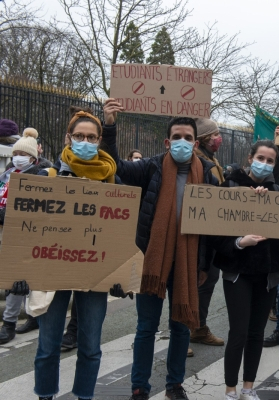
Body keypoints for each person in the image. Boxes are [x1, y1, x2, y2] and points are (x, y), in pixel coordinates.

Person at [7, 107, 131, 400]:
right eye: (79, 136)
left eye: (91, 137)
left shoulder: (113, 184)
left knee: (90, 347)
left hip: (95, 275)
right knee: (48, 346)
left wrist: (121, 276)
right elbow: (25, 230)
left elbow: (120, 236)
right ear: (68, 138)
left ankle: (84, 396)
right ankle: (45, 396)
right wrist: (19, 273)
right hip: (51, 273)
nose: (85, 141)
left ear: (100, 140)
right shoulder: (44, 177)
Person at [101, 98, 219, 400]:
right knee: (146, 328)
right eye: (176, 137)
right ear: (168, 141)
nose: (182, 142)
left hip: (187, 263)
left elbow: (213, 225)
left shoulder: (207, 173)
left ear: (195, 143)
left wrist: (204, 265)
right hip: (151, 264)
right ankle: (140, 386)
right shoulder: (151, 166)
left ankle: (174, 385)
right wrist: (110, 125)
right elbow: (116, 165)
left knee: (181, 328)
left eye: (188, 138)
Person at [209, 141, 279, 400]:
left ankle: (248, 388)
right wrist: (239, 242)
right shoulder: (229, 186)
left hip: (267, 275)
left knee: (256, 333)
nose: (264, 163)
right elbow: (213, 234)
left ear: (276, 165)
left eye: (270, 160)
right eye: (260, 157)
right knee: (238, 332)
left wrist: (271, 197)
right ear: (250, 158)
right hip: (237, 272)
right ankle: (230, 389)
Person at [0, 128, 48, 344]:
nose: (17, 158)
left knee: (17, 279)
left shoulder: (38, 176)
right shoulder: (8, 175)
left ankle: (9, 323)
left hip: (24, 233)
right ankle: (32, 318)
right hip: (6, 231)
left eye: (22, 154)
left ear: (32, 157)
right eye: (15, 154)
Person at [189, 118, 226, 348]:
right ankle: (184, 331)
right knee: (193, 281)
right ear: (204, 139)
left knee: (209, 278)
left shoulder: (211, 160)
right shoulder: (199, 163)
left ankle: (198, 327)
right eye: (216, 134)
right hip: (199, 232)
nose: (219, 138)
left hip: (212, 231)